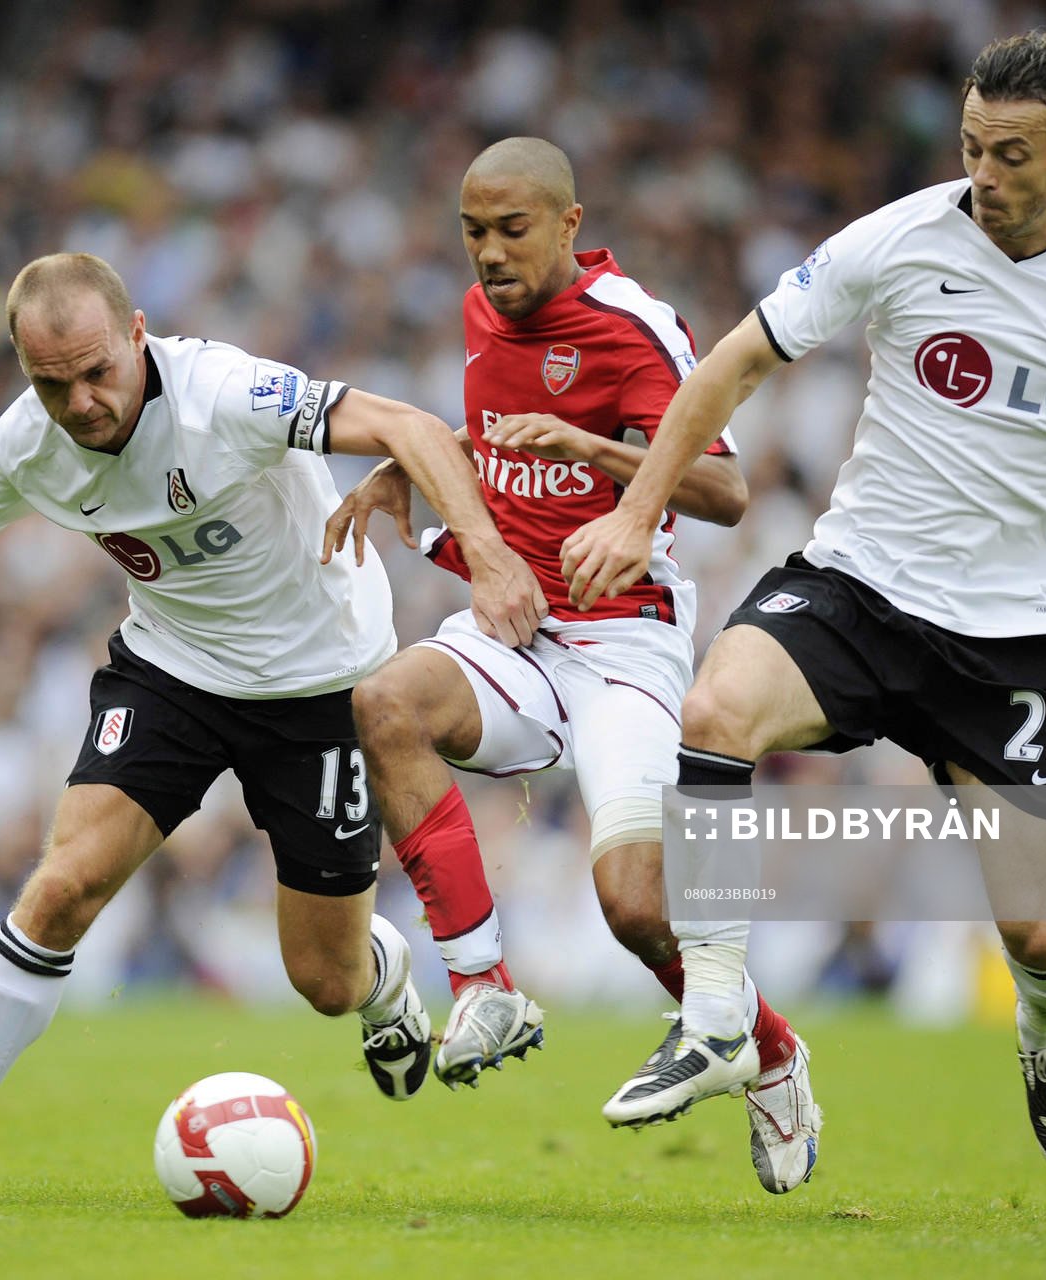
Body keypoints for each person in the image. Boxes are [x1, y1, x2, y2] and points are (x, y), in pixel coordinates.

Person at [561, 31, 1046, 1171]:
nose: (983, 175)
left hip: (1013, 645)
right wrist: (637, 507)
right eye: (971, 147)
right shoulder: (900, 237)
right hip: (860, 588)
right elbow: (738, 360)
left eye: (1012, 154)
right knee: (716, 716)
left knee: (1038, 932)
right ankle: (715, 1018)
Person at [0, 252, 546, 1201]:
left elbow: (408, 424)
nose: (81, 403)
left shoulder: (228, 394)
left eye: (97, 371)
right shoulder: (28, 440)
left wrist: (481, 550)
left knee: (326, 982)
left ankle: (382, 975)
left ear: (139, 332)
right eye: (51, 383)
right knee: (64, 886)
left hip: (325, 687)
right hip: (172, 674)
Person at [326, 137, 821, 1194]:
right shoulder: (478, 317)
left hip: (624, 638)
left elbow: (727, 491)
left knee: (638, 905)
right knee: (387, 703)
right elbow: (491, 445)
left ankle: (771, 1051)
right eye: (473, 232)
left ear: (568, 222)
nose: (490, 254)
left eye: (512, 230)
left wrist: (593, 451)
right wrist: (401, 473)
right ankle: (483, 983)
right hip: (515, 632)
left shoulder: (632, 325)